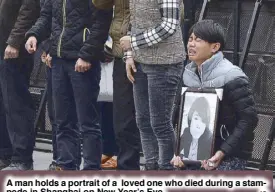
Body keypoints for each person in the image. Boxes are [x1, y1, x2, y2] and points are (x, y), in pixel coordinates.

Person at [25, 0, 113, 170]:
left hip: (82, 61)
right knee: (63, 119)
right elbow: (47, 17)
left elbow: (102, 22)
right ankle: (66, 166)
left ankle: (91, 170)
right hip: (58, 60)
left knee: (87, 121)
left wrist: (87, 55)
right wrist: (34, 35)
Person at [171, 20, 258, 170]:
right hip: (193, 154)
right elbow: (177, 114)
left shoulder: (232, 75)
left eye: (198, 40)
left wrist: (222, 152)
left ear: (215, 47)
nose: (191, 44)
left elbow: (248, 119)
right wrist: (176, 151)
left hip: (228, 156)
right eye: (190, 39)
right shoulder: (187, 74)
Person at [120, 0, 186, 170]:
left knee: (160, 123)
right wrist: (129, 55)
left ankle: (166, 170)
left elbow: (169, 25)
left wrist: (134, 42)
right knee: (143, 121)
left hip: (165, 63)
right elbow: (133, 23)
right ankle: (151, 167)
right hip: (141, 62)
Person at [92, 0, 141, 170]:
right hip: (121, 49)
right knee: (122, 118)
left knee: (150, 120)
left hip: (150, 52)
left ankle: (156, 169)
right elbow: (100, 4)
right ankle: (126, 168)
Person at [0, 0, 40, 170]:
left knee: (16, 103)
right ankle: (5, 154)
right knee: (3, 104)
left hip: (13, 47)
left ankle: (21, 158)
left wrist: (15, 41)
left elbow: (29, 9)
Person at [179, 97, 212, 161]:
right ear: (190, 119)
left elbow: (209, 163)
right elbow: (176, 152)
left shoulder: (209, 139)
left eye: (203, 121)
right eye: (196, 118)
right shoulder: (186, 132)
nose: (198, 125)